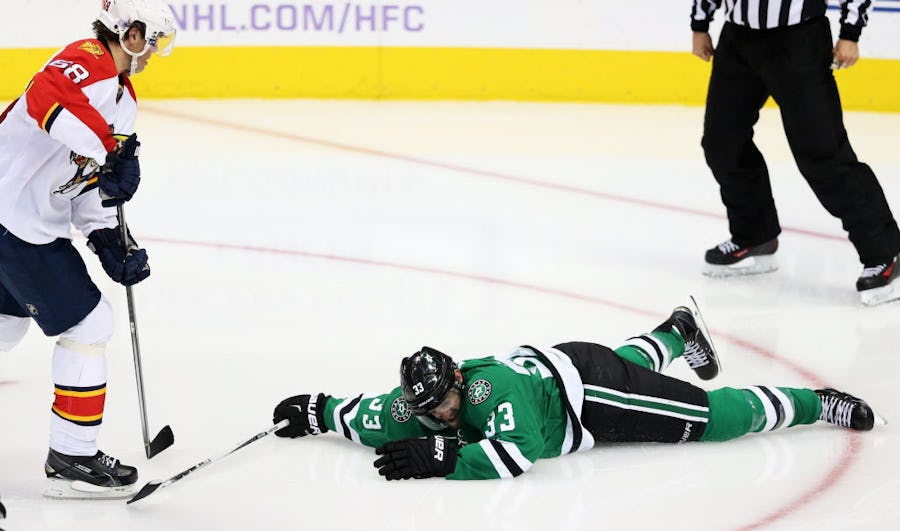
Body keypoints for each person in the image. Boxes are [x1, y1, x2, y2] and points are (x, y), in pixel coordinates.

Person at [272, 298, 883, 480]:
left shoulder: (488, 392)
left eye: (446, 403)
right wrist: (319, 411)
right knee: (630, 367)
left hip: (591, 395)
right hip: (568, 368)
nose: (442, 415)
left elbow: (519, 452)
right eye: (429, 411)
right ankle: (676, 332)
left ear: (459, 380)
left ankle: (817, 402)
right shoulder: (418, 404)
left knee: (708, 418)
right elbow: (367, 415)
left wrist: (445, 459)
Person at [0, 0, 176, 498]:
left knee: (5, 326)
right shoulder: (86, 58)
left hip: (20, 219)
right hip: (14, 220)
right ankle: (71, 456)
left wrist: (109, 239)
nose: (154, 52)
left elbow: (88, 180)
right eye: (153, 40)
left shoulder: (123, 99)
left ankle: (71, 454)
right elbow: (45, 95)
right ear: (131, 33)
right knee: (90, 324)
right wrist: (110, 149)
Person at [690, 0, 900, 306]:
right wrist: (700, 23)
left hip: (799, 41)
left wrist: (850, 33)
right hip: (737, 40)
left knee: (823, 154)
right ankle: (754, 234)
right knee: (722, 143)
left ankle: (885, 252)